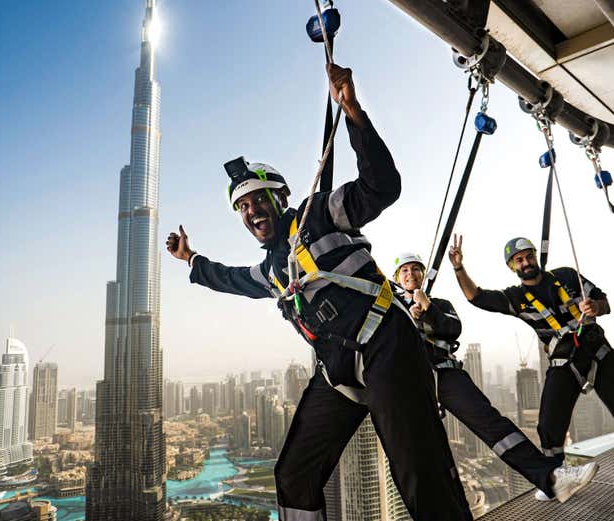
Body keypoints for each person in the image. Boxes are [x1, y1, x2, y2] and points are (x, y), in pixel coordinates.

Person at [166, 63, 472, 521]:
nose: (250, 213)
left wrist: (352, 112)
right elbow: (228, 278)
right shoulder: (270, 270)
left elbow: (381, 187)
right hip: (338, 373)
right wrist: (192, 260)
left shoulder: (320, 214)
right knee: (293, 475)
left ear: (280, 198)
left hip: (387, 346)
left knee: (420, 478)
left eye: (257, 200)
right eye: (242, 208)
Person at [394, 252, 597, 502]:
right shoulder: (391, 309)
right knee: (413, 450)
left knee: (492, 425)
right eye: (405, 270)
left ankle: (552, 478)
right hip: (407, 380)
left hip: (444, 373)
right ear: (397, 278)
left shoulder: (441, 305)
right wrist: (407, 314)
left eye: (416, 269)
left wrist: (427, 308)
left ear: (423, 275)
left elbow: (452, 329)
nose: (411, 274)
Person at [449, 234, 607, 497]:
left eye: (528, 256)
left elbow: (605, 304)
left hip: (598, 351)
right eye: (519, 260)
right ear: (513, 267)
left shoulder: (567, 277)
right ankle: (558, 479)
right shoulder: (517, 298)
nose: (525, 263)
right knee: (547, 424)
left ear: (536, 256)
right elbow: (476, 297)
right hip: (564, 361)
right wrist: (458, 267)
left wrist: (595, 308)